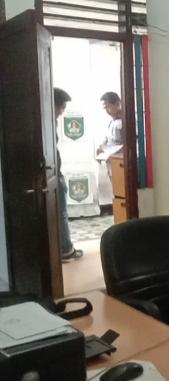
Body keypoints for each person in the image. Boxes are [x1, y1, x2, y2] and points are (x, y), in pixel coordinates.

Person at [53, 88, 83, 262]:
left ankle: (62, 248)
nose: (62, 111)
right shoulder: (47, 122)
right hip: (53, 175)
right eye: (61, 107)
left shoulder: (50, 121)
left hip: (55, 173)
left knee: (60, 212)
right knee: (61, 212)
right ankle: (65, 249)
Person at [96, 91, 124, 156]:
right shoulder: (112, 121)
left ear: (117, 104)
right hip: (111, 157)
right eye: (105, 108)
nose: (106, 111)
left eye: (108, 107)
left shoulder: (125, 121)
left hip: (120, 158)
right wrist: (101, 147)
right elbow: (108, 139)